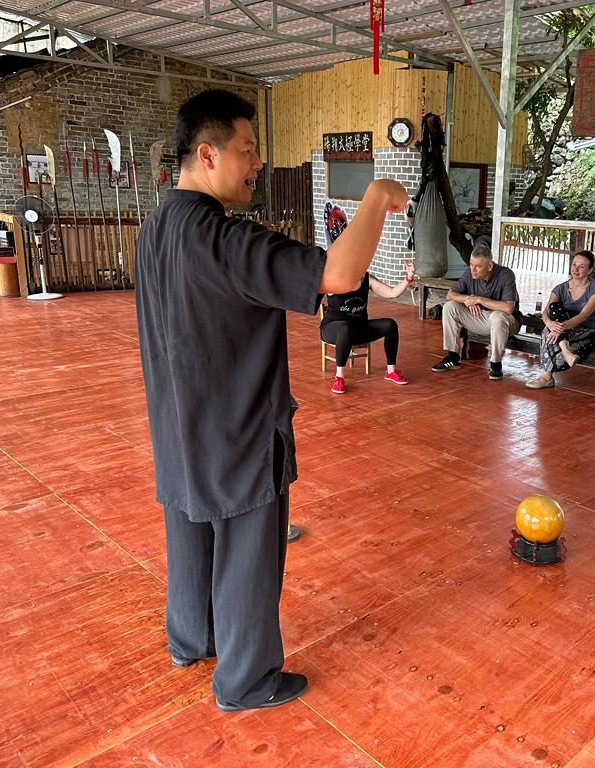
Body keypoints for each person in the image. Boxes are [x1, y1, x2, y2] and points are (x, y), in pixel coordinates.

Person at [135, 89, 408, 713]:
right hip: (237, 427)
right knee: (249, 557)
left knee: (190, 532)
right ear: (208, 155)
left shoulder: (157, 228)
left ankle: (192, 641)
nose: (258, 163)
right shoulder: (225, 241)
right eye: (248, 149)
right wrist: (373, 198)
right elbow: (337, 275)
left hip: (179, 423)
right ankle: (247, 681)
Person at [322, 259, 416, 394]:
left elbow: (392, 293)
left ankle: (391, 371)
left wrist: (409, 278)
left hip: (359, 328)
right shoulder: (334, 280)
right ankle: (339, 378)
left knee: (390, 324)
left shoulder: (367, 279)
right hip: (332, 329)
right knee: (345, 328)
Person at [431, 243, 522, 380]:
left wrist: (479, 299)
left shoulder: (506, 275)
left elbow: (508, 308)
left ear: (489, 266)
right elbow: (451, 294)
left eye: (478, 266)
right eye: (471, 264)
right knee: (450, 307)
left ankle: (495, 363)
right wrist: (468, 299)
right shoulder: (470, 273)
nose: (472, 269)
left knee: (497, 316)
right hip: (480, 319)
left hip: (507, 322)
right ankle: (453, 356)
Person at [526, 250, 595, 389]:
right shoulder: (560, 288)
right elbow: (545, 312)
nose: (576, 269)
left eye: (581, 266)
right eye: (574, 264)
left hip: (588, 331)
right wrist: (551, 324)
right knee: (553, 311)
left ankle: (547, 376)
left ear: (590, 270)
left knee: (558, 357)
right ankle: (564, 351)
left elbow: (583, 316)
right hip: (565, 332)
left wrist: (558, 328)